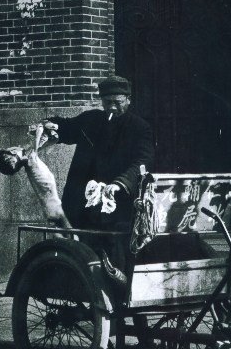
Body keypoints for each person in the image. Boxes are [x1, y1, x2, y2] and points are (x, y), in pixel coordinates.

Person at [45, 75, 154, 233]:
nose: (112, 107)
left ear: (128, 100)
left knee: (111, 244)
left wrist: (121, 183)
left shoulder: (139, 127)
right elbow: (67, 128)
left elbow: (143, 160)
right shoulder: (90, 120)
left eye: (118, 102)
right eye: (108, 102)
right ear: (102, 101)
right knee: (79, 244)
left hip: (116, 203)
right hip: (82, 204)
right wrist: (50, 125)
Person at [0, 123, 72, 231]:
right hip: (53, 204)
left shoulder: (28, 160)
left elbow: (37, 145)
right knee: (68, 231)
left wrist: (41, 135)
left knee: (64, 231)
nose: (19, 148)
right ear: (12, 153)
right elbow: (36, 142)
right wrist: (39, 130)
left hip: (49, 205)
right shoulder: (30, 159)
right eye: (14, 149)